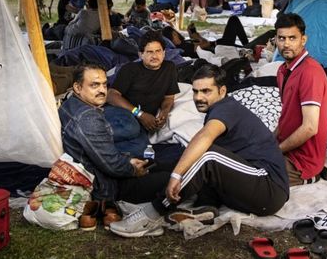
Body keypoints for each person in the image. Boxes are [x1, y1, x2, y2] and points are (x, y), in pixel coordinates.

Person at [109, 64, 289, 238]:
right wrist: (153, 166)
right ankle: (204, 206)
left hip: (268, 189)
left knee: (207, 156)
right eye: (195, 91)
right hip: (246, 186)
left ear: (222, 91)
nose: (198, 97)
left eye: (206, 91)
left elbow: (204, 138)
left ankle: (152, 214)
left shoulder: (226, 108)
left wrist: (176, 175)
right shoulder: (217, 109)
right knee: (186, 158)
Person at [58, 64, 174, 230]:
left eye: (105, 84)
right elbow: (112, 165)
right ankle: (108, 207)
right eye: (94, 85)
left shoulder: (70, 104)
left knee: (166, 165)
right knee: (174, 179)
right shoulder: (87, 118)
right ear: (77, 87)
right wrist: (133, 168)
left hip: (104, 170)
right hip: (108, 186)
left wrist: (129, 160)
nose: (102, 90)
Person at [274, 13, 327, 185]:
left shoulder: (310, 72)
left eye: (292, 38)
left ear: (303, 40)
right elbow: (287, 116)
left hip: (302, 161)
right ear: (275, 39)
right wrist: (268, 142)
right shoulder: (283, 70)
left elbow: (310, 128)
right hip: (286, 149)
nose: (286, 44)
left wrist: (275, 150)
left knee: (246, 176)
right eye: (282, 38)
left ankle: (313, 174)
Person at [105, 31, 180, 157]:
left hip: (142, 122)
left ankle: (103, 149)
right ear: (141, 54)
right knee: (131, 128)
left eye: (158, 51)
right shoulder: (130, 69)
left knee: (144, 151)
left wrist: (164, 112)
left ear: (164, 52)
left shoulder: (169, 68)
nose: (155, 56)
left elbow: (169, 97)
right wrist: (139, 114)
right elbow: (111, 95)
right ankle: (92, 137)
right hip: (121, 113)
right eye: (149, 52)